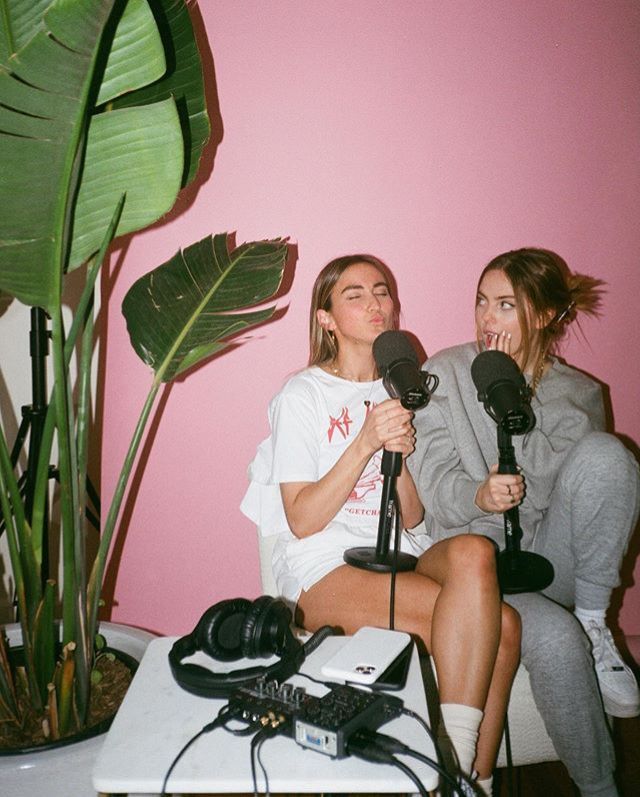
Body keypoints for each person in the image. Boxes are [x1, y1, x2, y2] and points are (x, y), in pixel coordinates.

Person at [241, 254, 521, 796]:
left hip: (402, 550)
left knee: (472, 554)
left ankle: (466, 776)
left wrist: (395, 452)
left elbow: (412, 517)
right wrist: (365, 442)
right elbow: (301, 520)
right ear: (325, 318)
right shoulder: (302, 395)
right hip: (323, 566)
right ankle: (460, 779)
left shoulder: (399, 387)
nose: (376, 304)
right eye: (355, 295)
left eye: (383, 291)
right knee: (502, 627)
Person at [408, 247, 640, 797]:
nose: (488, 319)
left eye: (506, 305)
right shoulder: (442, 375)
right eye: (482, 302)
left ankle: (592, 616)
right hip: (478, 567)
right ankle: (600, 787)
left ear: (541, 315)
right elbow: (436, 486)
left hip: (550, 559)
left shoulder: (579, 394)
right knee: (555, 641)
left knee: (609, 456)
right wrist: (479, 496)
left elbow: (575, 496)